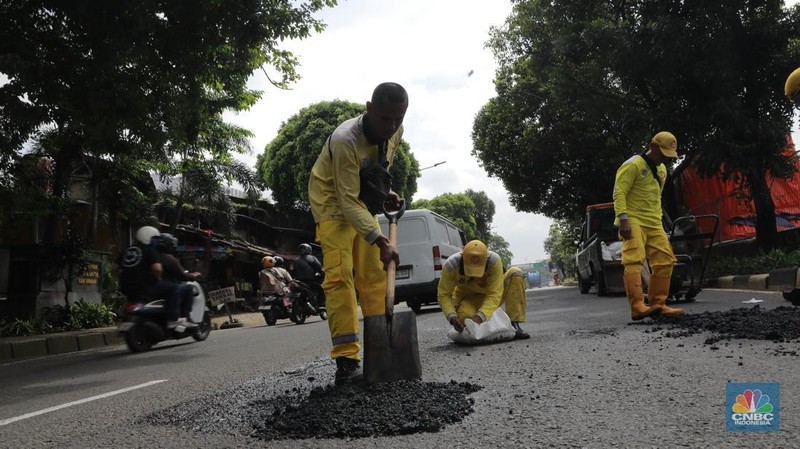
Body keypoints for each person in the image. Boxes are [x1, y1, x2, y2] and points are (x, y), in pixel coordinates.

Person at [308, 82, 407, 384]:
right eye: (385, 118)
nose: (392, 126)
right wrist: (380, 241)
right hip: (332, 204)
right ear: (369, 109)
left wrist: (385, 191)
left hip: (359, 203)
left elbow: (375, 168)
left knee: (376, 275)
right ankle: (347, 361)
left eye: (398, 119)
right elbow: (346, 200)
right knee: (340, 278)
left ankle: (381, 349)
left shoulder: (395, 130)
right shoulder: (344, 140)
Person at [613, 131, 682, 320]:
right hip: (633, 219)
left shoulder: (662, 170)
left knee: (665, 260)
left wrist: (660, 223)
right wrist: (623, 219)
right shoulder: (633, 165)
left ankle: (659, 304)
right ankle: (637, 306)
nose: (664, 159)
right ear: (653, 146)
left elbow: (656, 198)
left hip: (654, 222)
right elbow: (619, 193)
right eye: (663, 153)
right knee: (634, 259)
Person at [437, 240, 530, 340]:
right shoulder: (451, 265)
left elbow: (495, 294)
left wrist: (479, 317)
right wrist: (452, 317)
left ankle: (514, 324)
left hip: (491, 294)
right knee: (466, 319)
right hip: (469, 298)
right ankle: (481, 316)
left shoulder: (494, 261)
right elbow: (444, 295)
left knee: (515, 273)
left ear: (486, 258)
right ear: (463, 257)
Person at [115, 226, 194, 328]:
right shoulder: (149, 251)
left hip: (126, 287)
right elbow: (157, 269)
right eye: (155, 239)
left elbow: (114, 269)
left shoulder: (127, 250)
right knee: (175, 289)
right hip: (145, 286)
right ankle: (172, 319)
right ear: (149, 238)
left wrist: (124, 277)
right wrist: (158, 279)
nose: (156, 242)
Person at [153, 233, 202, 323]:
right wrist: (193, 276)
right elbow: (182, 275)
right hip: (165, 287)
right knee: (188, 289)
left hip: (152, 289)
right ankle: (185, 316)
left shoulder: (152, 256)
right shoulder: (168, 258)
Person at [292, 243, 324, 308]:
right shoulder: (312, 258)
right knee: (321, 290)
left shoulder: (296, 260)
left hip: (299, 282)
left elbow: (294, 271)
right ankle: (320, 305)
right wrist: (323, 275)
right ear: (309, 250)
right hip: (310, 282)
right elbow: (320, 268)